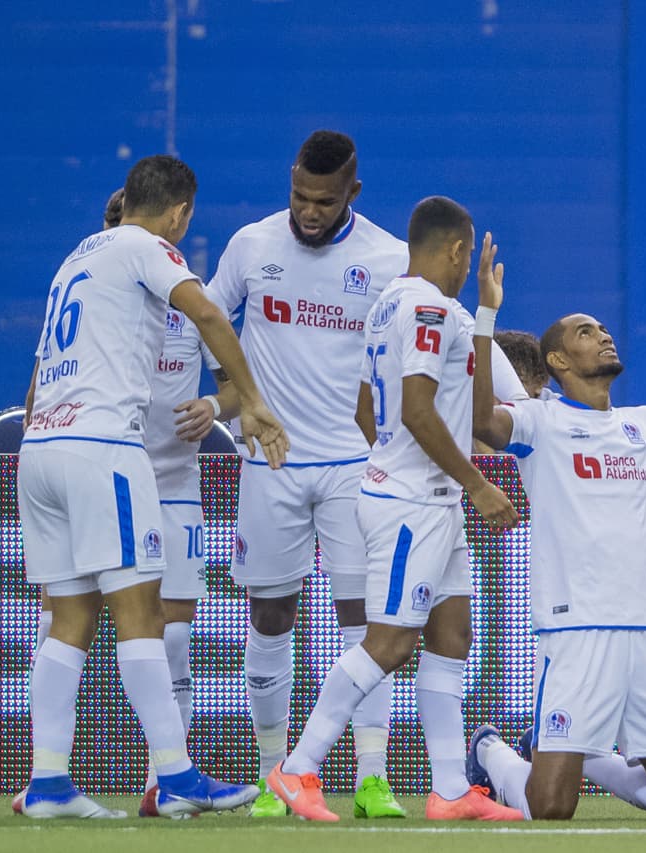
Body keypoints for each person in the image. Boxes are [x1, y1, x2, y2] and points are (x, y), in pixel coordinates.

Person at [201, 131, 527, 818]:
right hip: (408, 494)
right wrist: (473, 480)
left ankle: (444, 789)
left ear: (354, 192)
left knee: (450, 634)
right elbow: (414, 409)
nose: (310, 210)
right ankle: (294, 768)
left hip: (388, 484)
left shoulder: (388, 295)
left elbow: (367, 403)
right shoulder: (428, 306)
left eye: (325, 199)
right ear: (460, 252)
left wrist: (379, 459)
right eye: (300, 196)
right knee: (385, 639)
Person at [16, 155, 288, 819]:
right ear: (179, 213)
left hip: (42, 448)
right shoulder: (147, 246)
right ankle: (175, 775)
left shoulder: (76, 258)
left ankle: (49, 780)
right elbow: (210, 317)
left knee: (70, 619)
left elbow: (34, 389)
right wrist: (251, 400)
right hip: (103, 449)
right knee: (144, 615)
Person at [465, 242, 646, 820]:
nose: (603, 334)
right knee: (550, 808)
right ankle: (490, 750)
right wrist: (484, 317)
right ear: (557, 361)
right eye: (584, 332)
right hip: (577, 633)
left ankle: (590, 760)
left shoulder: (644, 425)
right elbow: (482, 422)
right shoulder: (539, 422)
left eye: (603, 327)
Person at [493, 330, 549, 399]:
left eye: (515, 382)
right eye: (496, 382)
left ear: (539, 383)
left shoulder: (561, 408)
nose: (504, 391)